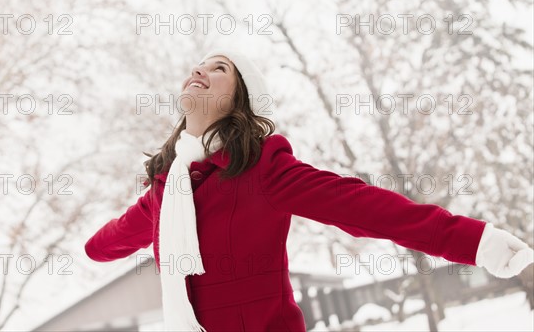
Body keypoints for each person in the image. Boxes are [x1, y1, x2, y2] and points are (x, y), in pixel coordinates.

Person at [84, 48, 534, 332]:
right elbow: (110, 242)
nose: (200, 68)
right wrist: (90, 248)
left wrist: (477, 241)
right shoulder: (167, 191)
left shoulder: (262, 169)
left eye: (219, 67)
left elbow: (369, 208)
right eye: (199, 63)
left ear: (240, 100)